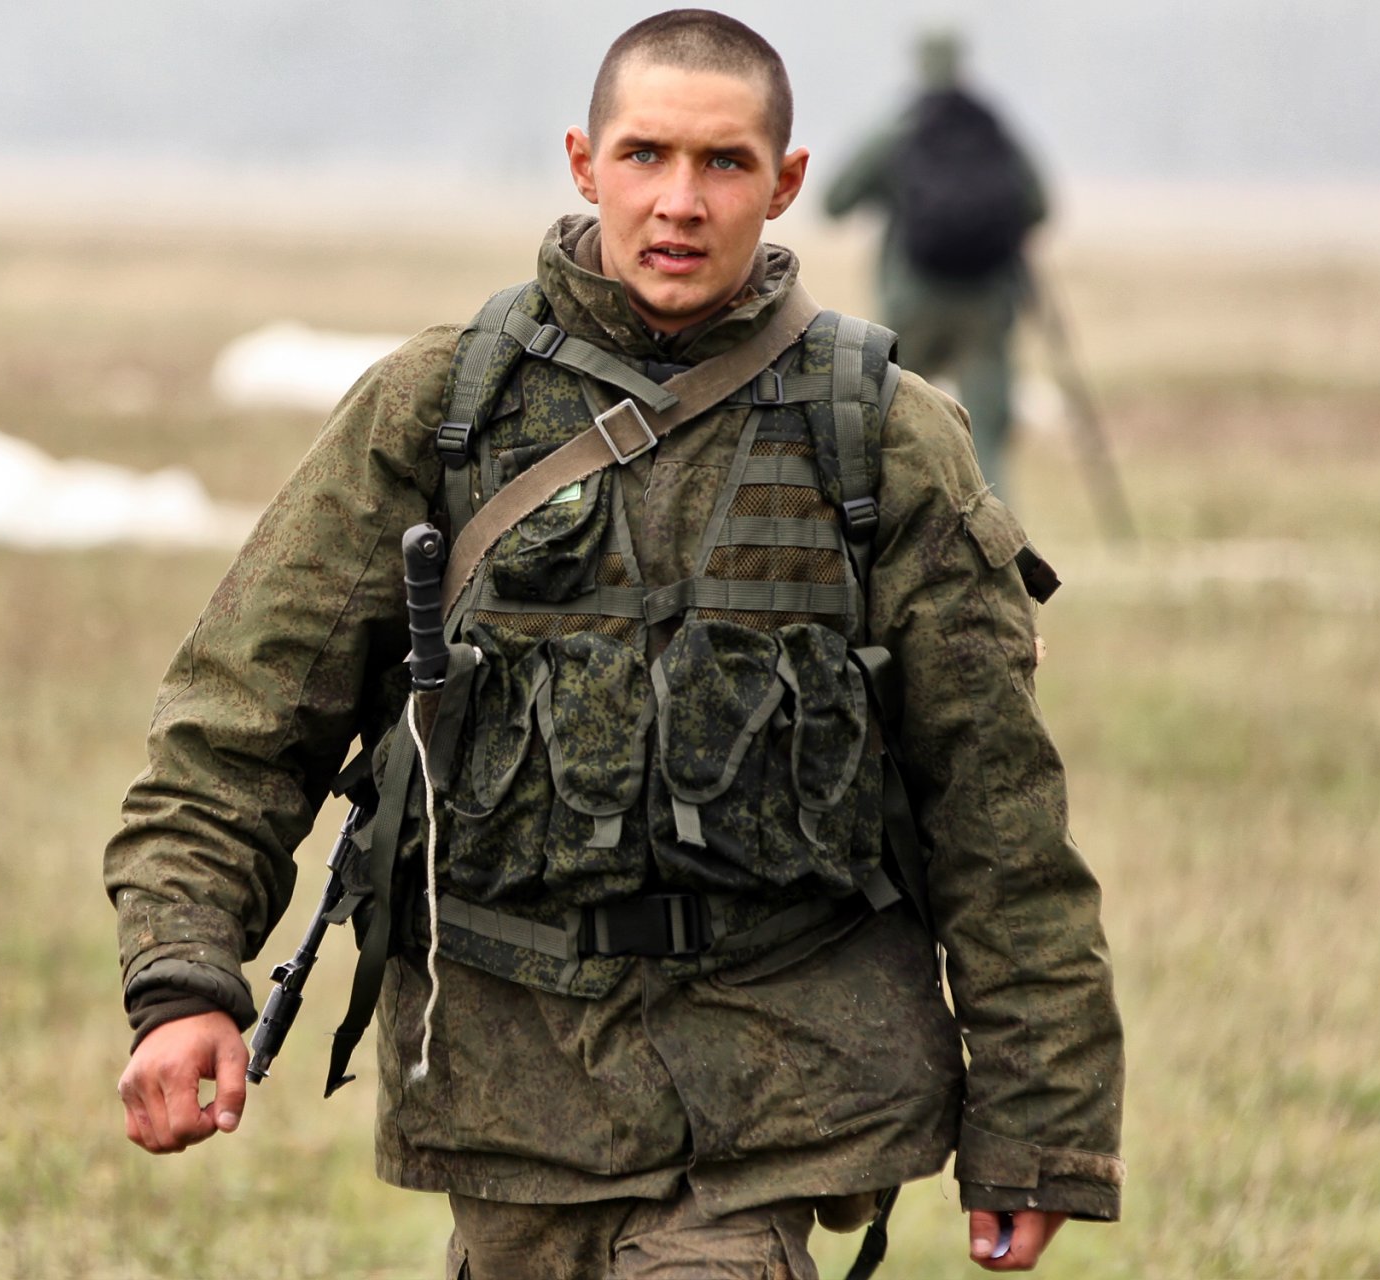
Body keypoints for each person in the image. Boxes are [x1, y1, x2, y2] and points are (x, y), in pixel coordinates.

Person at [107, 11, 1122, 1277]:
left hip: (779, 1089)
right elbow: (239, 722)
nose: (680, 203)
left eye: (724, 164)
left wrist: (1043, 1119)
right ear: (584, 162)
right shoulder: (443, 408)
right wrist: (184, 974)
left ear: (788, 182)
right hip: (505, 1088)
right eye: (646, 157)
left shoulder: (878, 435)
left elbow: (996, 804)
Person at [821, 30, 1047, 499]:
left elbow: (835, 201)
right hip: (988, 300)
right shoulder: (995, 129)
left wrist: (897, 194)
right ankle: (1000, 544)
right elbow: (1039, 205)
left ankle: (887, 526)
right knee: (987, 432)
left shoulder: (896, 132)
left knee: (890, 416)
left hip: (911, 297)